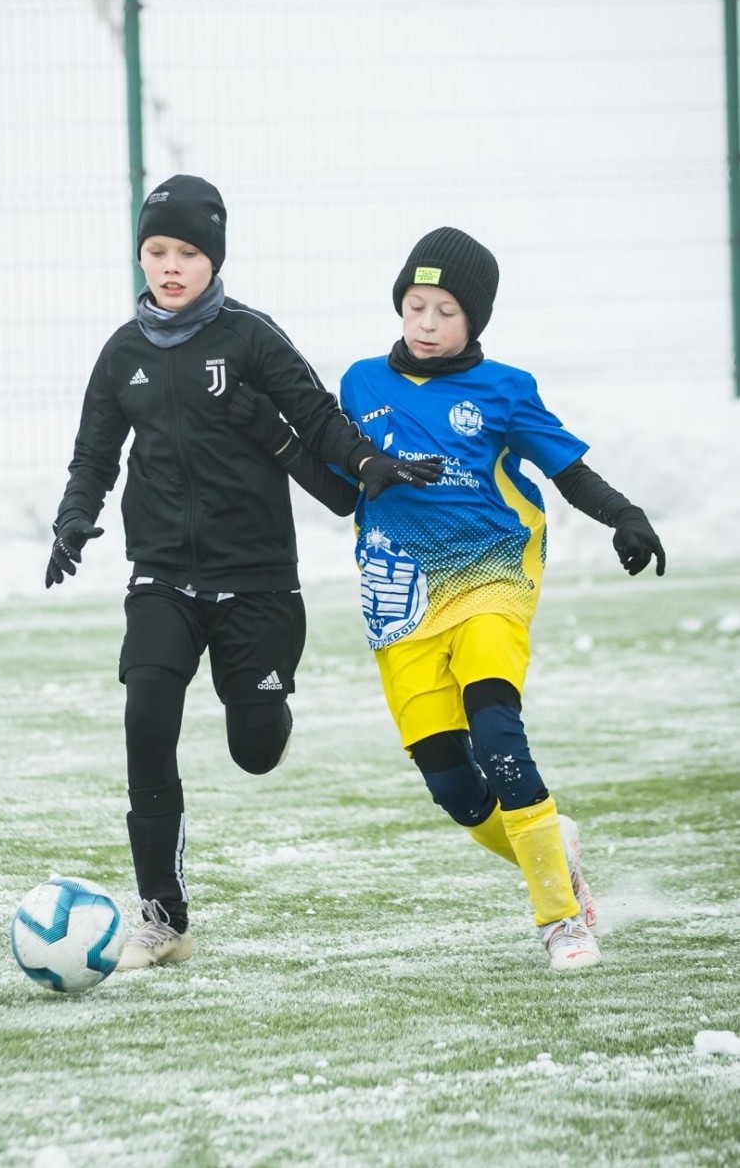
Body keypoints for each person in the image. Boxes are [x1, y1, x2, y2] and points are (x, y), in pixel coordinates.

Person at [231, 225, 665, 972]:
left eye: (445, 311)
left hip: (490, 577)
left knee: (497, 736)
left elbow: (567, 470)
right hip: (398, 599)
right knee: (457, 789)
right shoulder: (363, 383)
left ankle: (560, 922)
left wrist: (623, 514)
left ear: (476, 321)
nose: (426, 324)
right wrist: (274, 439)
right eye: (415, 305)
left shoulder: (504, 391)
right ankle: (552, 849)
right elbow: (343, 492)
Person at [44, 174, 442, 972]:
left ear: (213, 258)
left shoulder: (251, 338)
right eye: (157, 249)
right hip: (162, 577)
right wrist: (73, 518)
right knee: (146, 719)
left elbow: (318, 415)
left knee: (254, 749)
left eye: (187, 251)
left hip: (257, 578)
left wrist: (368, 463)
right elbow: (95, 453)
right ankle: (163, 918)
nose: (170, 265)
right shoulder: (121, 353)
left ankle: (268, 709)